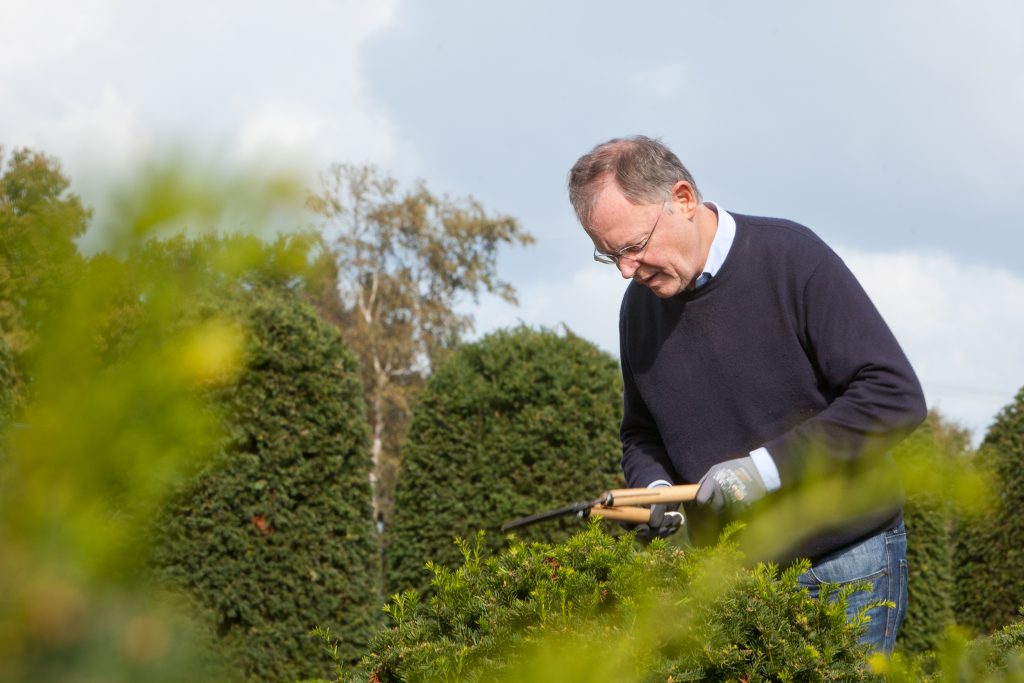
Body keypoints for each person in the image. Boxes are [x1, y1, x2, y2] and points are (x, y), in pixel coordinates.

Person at [567, 135, 927, 655]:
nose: (626, 270)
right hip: (728, 579)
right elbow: (640, 434)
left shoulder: (792, 258)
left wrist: (763, 470)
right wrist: (655, 492)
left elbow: (893, 395)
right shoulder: (638, 310)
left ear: (684, 199)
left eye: (633, 246)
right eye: (608, 256)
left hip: (845, 563)